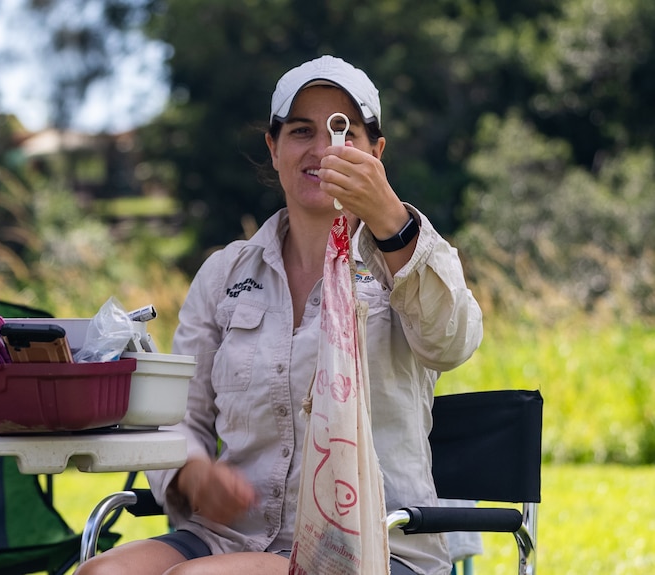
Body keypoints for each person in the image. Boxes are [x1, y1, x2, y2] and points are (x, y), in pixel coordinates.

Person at [75, 55, 483, 575]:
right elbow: (177, 416)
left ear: (376, 152)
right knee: (99, 573)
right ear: (273, 148)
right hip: (228, 537)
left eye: (344, 132)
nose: (321, 149)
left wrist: (390, 219)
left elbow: (452, 342)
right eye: (300, 131)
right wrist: (194, 472)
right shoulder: (224, 273)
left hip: (372, 549)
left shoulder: (409, 255)